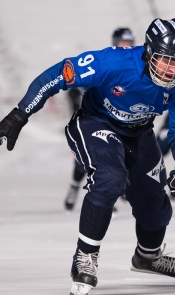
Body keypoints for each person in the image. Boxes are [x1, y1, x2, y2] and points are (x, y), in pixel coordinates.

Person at [0, 18, 175, 295]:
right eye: (167, 60)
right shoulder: (112, 63)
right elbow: (56, 75)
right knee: (110, 179)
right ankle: (84, 257)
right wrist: (19, 114)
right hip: (95, 123)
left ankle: (148, 258)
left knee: (156, 206)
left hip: (139, 133)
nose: (173, 70)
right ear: (149, 52)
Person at [64, 27, 136, 211]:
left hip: (120, 121)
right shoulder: (105, 62)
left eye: (129, 44)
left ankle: (113, 191)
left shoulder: (136, 67)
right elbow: (77, 82)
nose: (126, 47)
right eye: (123, 43)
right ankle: (76, 187)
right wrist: (76, 99)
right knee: (88, 159)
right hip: (97, 119)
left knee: (122, 156)